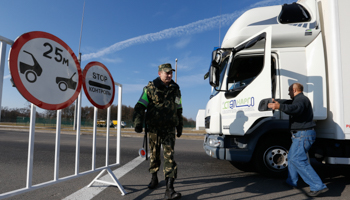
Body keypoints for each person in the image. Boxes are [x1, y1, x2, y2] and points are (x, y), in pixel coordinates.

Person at [268, 83, 328, 197]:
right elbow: (290, 104)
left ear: (294, 90)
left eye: (289, 91)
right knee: (291, 157)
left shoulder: (301, 100)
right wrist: (277, 102)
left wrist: (279, 107)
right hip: (300, 135)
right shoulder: (298, 99)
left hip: (303, 135)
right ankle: (292, 181)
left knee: (298, 159)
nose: (288, 93)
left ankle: (317, 185)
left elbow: (295, 109)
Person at [133, 63, 183, 200]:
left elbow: (179, 108)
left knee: (169, 157)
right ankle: (154, 177)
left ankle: (170, 189)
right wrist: (138, 122)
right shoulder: (150, 88)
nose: (169, 75)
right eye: (167, 72)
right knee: (154, 155)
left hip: (169, 129)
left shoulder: (176, 89)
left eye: (171, 73)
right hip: (154, 128)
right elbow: (140, 105)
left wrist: (180, 126)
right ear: (159, 73)